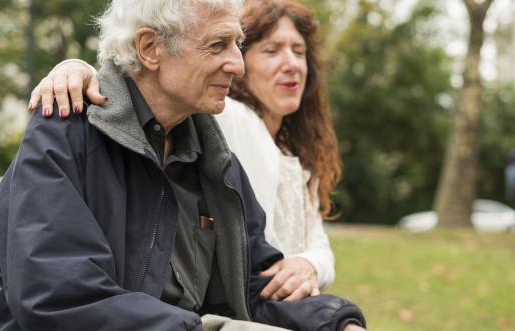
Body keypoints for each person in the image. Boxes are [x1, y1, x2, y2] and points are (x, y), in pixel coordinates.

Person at [0, 1, 407, 331]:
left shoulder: (213, 154)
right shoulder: (65, 131)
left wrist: (342, 327)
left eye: (237, 43)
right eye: (218, 45)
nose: (237, 64)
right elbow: (57, 296)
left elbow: (258, 280)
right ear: (150, 48)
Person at [30, 0, 340, 303]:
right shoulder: (222, 117)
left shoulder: (281, 151)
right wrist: (76, 69)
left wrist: (330, 304)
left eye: (299, 52)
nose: (292, 64)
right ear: (150, 47)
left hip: (250, 310)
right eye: (271, 51)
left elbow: (295, 252)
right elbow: (60, 292)